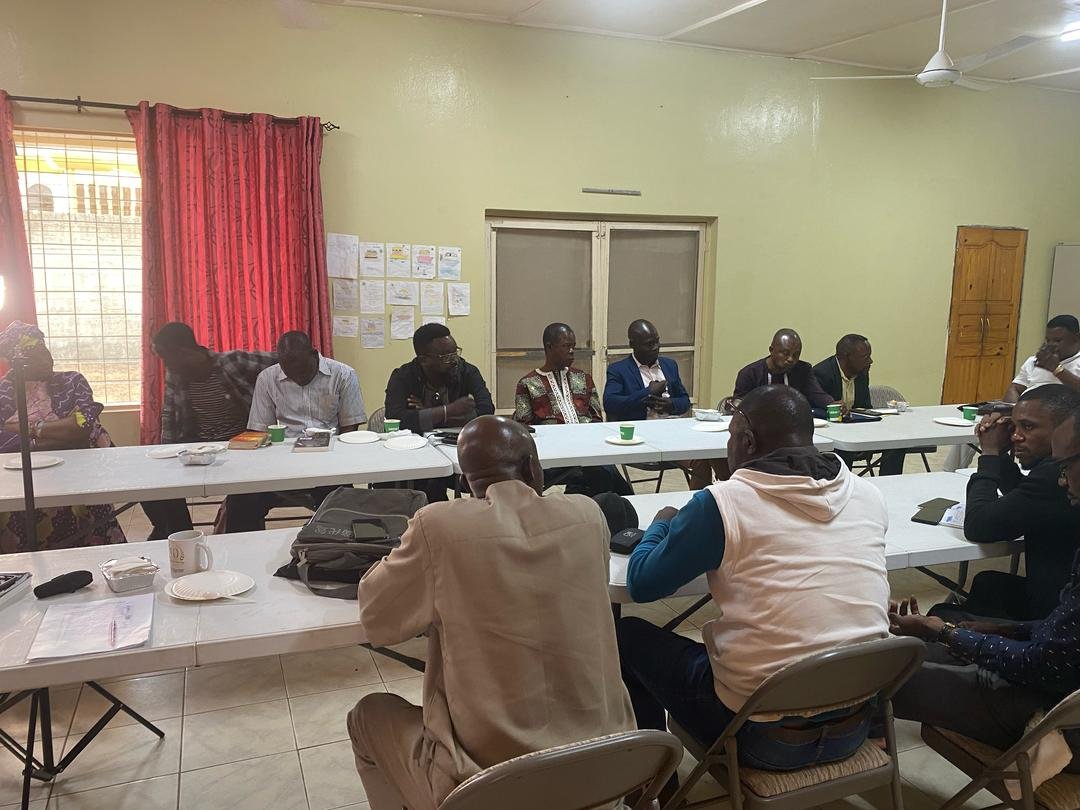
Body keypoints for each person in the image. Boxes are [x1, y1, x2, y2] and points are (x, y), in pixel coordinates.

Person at [347, 416, 634, 809]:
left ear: (466, 483)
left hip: (489, 791)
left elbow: (377, 618)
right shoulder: (589, 515)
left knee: (367, 716)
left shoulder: (438, 527)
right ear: (533, 468)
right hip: (604, 776)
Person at [616, 385, 890, 771]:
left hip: (760, 737)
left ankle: (651, 782)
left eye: (730, 437)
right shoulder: (868, 494)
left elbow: (642, 584)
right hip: (855, 724)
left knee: (626, 636)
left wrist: (662, 524)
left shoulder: (722, 504)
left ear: (746, 442)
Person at [886, 401, 1080, 773]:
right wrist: (995, 630)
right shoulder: (1059, 487)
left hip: (1059, 717)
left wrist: (946, 632)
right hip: (1058, 672)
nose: (1060, 480)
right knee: (962, 613)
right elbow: (1064, 630)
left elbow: (1039, 664)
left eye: (1065, 466)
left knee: (891, 672)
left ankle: (846, 750)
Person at [931, 385, 1080, 623]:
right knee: (987, 584)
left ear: (1065, 431)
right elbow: (1025, 497)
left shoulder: (1055, 475)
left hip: (1056, 615)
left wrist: (989, 453)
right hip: (1058, 593)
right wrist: (1000, 456)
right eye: (1014, 427)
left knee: (940, 615)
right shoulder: (1059, 471)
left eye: (1028, 427)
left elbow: (979, 526)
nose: (1015, 436)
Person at [218, 331, 366, 533]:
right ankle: (245, 547)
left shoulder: (343, 374)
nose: (298, 378)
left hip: (328, 463)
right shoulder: (268, 378)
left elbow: (349, 428)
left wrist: (337, 464)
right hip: (281, 463)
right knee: (241, 501)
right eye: (290, 373)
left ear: (314, 354)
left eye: (303, 371)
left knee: (343, 507)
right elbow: (259, 429)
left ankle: (330, 547)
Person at [0, 322, 125, 553]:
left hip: (79, 478)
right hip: (25, 485)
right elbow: (5, 444)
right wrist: (62, 434)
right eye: (36, 355)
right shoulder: (4, 393)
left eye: (45, 350)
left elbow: (83, 425)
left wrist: (29, 429)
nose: (47, 359)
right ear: (17, 362)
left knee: (94, 551)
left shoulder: (72, 381)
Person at [144, 322, 276, 540]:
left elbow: (282, 360)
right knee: (161, 488)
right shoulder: (175, 374)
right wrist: (166, 457)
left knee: (245, 497)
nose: (166, 363)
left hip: (240, 446)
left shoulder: (232, 362)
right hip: (200, 446)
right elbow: (170, 415)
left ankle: (238, 541)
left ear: (184, 351)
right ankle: (183, 537)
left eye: (167, 357)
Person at [514, 323, 632, 496]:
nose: (571, 351)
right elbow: (523, 428)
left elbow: (596, 418)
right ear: (549, 347)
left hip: (588, 448)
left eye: (573, 347)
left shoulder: (583, 378)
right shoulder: (527, 383)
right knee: (604, 474)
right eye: (566, 346)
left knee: (601, 471)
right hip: (552, 454)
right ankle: (621, 504)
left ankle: (587, 496)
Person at [384, 323, 494, 502]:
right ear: (423, 360)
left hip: (458, 449)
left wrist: (429, 414)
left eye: (455, 352)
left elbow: (486, 411)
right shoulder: (403, 376)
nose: (454, 360)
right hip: (415, 453)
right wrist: (448, 410)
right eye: (446, 356)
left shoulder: (467, 372)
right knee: (426, 485)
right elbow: (396, 419)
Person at [813, 334, 907, 476]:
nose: (870, 361)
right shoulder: (821, 374)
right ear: (846, 357)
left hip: (859, 430)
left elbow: (865, 407)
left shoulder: (861, 372)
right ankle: (846, 485)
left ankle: (889, 482)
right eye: (865, 357)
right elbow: (816, 412)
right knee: (845, 450)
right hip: (835, 435)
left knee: (897, 442)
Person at [604, 319, 690, 421]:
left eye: (657, 341)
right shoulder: (618, 370)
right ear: (632, 344)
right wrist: (648, 392)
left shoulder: (669, 365)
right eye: (649, 344)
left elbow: (685, 400)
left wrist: (671, 404)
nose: (655, 347)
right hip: (640, 427)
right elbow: (610, 404)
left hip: (672, 424)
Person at [733, 328, 834, 409]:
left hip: (794, 423)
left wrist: (834, 405)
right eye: (785, 353)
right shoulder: (750, 373)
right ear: (771, 350)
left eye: (796, 355)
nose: (791, 359)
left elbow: (818, 395)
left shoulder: (803, 370)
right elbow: (739, 406)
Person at [1006, 315, 1080, 402]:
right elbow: (1014, 388)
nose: (1051, 345)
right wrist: (1014, 408)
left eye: (1057, 340)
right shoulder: (1033, 361)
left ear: (1076, 338)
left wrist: (1057, 369)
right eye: (1048, 340)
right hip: (1027, 406)